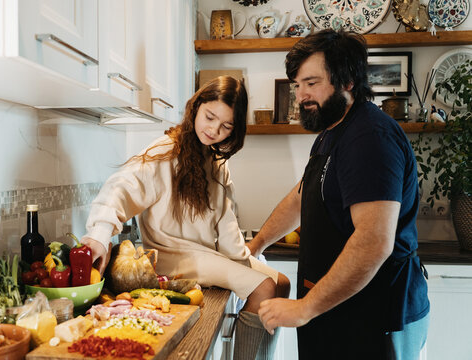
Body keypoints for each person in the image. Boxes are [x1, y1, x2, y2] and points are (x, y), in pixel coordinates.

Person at [247, 30, 430, 360]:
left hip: (376, 314)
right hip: (337, 308)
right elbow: (301, 197)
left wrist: (304, 308)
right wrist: (256, 245)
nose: (301, 94)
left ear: (347, 81)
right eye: (298, 84)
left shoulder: (369, 138)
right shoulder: (333, 130)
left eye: (312, 83)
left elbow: (374, 241)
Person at [81, 75, 290, 360]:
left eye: (226, 125)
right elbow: (121, 187)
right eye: (210, 117)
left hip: (207, 255)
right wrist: (98, 235)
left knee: (282, 283)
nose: (214, 130)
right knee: (264, 287)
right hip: (173, 257)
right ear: (196, 107)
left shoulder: (217, 162)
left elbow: (227, 225)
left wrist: (243, 264)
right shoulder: (165, 151)